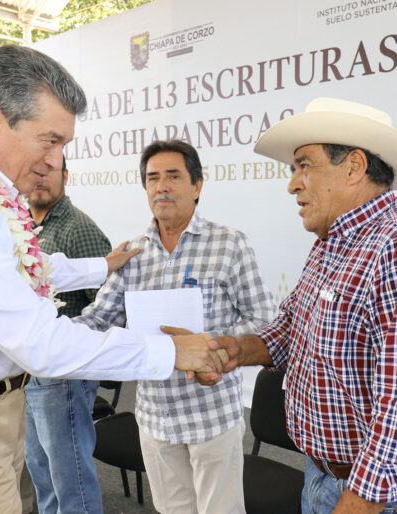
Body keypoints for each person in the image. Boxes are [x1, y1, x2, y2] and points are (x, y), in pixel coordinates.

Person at [0, 44, 219, 514]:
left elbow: (24, 264)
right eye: (50, 140)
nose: (55, 161)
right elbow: (40, 343)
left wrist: (103, 264)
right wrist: (171, 351)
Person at [206, 98, 397, 513]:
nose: (293, 184)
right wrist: (240, 351)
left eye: (304, 166)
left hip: (381, 498)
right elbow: (293, 327)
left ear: (354, 167)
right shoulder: (332, 244)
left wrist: (354, 505)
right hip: (326, 477)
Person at [74, 140, 275, 514]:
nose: (161, 186)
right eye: (152, 178)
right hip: (155, 417)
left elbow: (263, 320)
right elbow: (98, 318)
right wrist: (42, 334)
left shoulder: (229, 244)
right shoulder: (132, 253)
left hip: (211, 414)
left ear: (197, 186)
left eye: (173, 176)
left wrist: (212, 350)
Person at [23, 156, 112, 514]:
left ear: (66, 176)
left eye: (50, 172)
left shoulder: (79, 229)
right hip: (30, 369)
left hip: (64, 376)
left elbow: (108, 308)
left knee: (69, 479)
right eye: (35, 171)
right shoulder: (23, 227)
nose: (40, 179)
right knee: (41, 472)